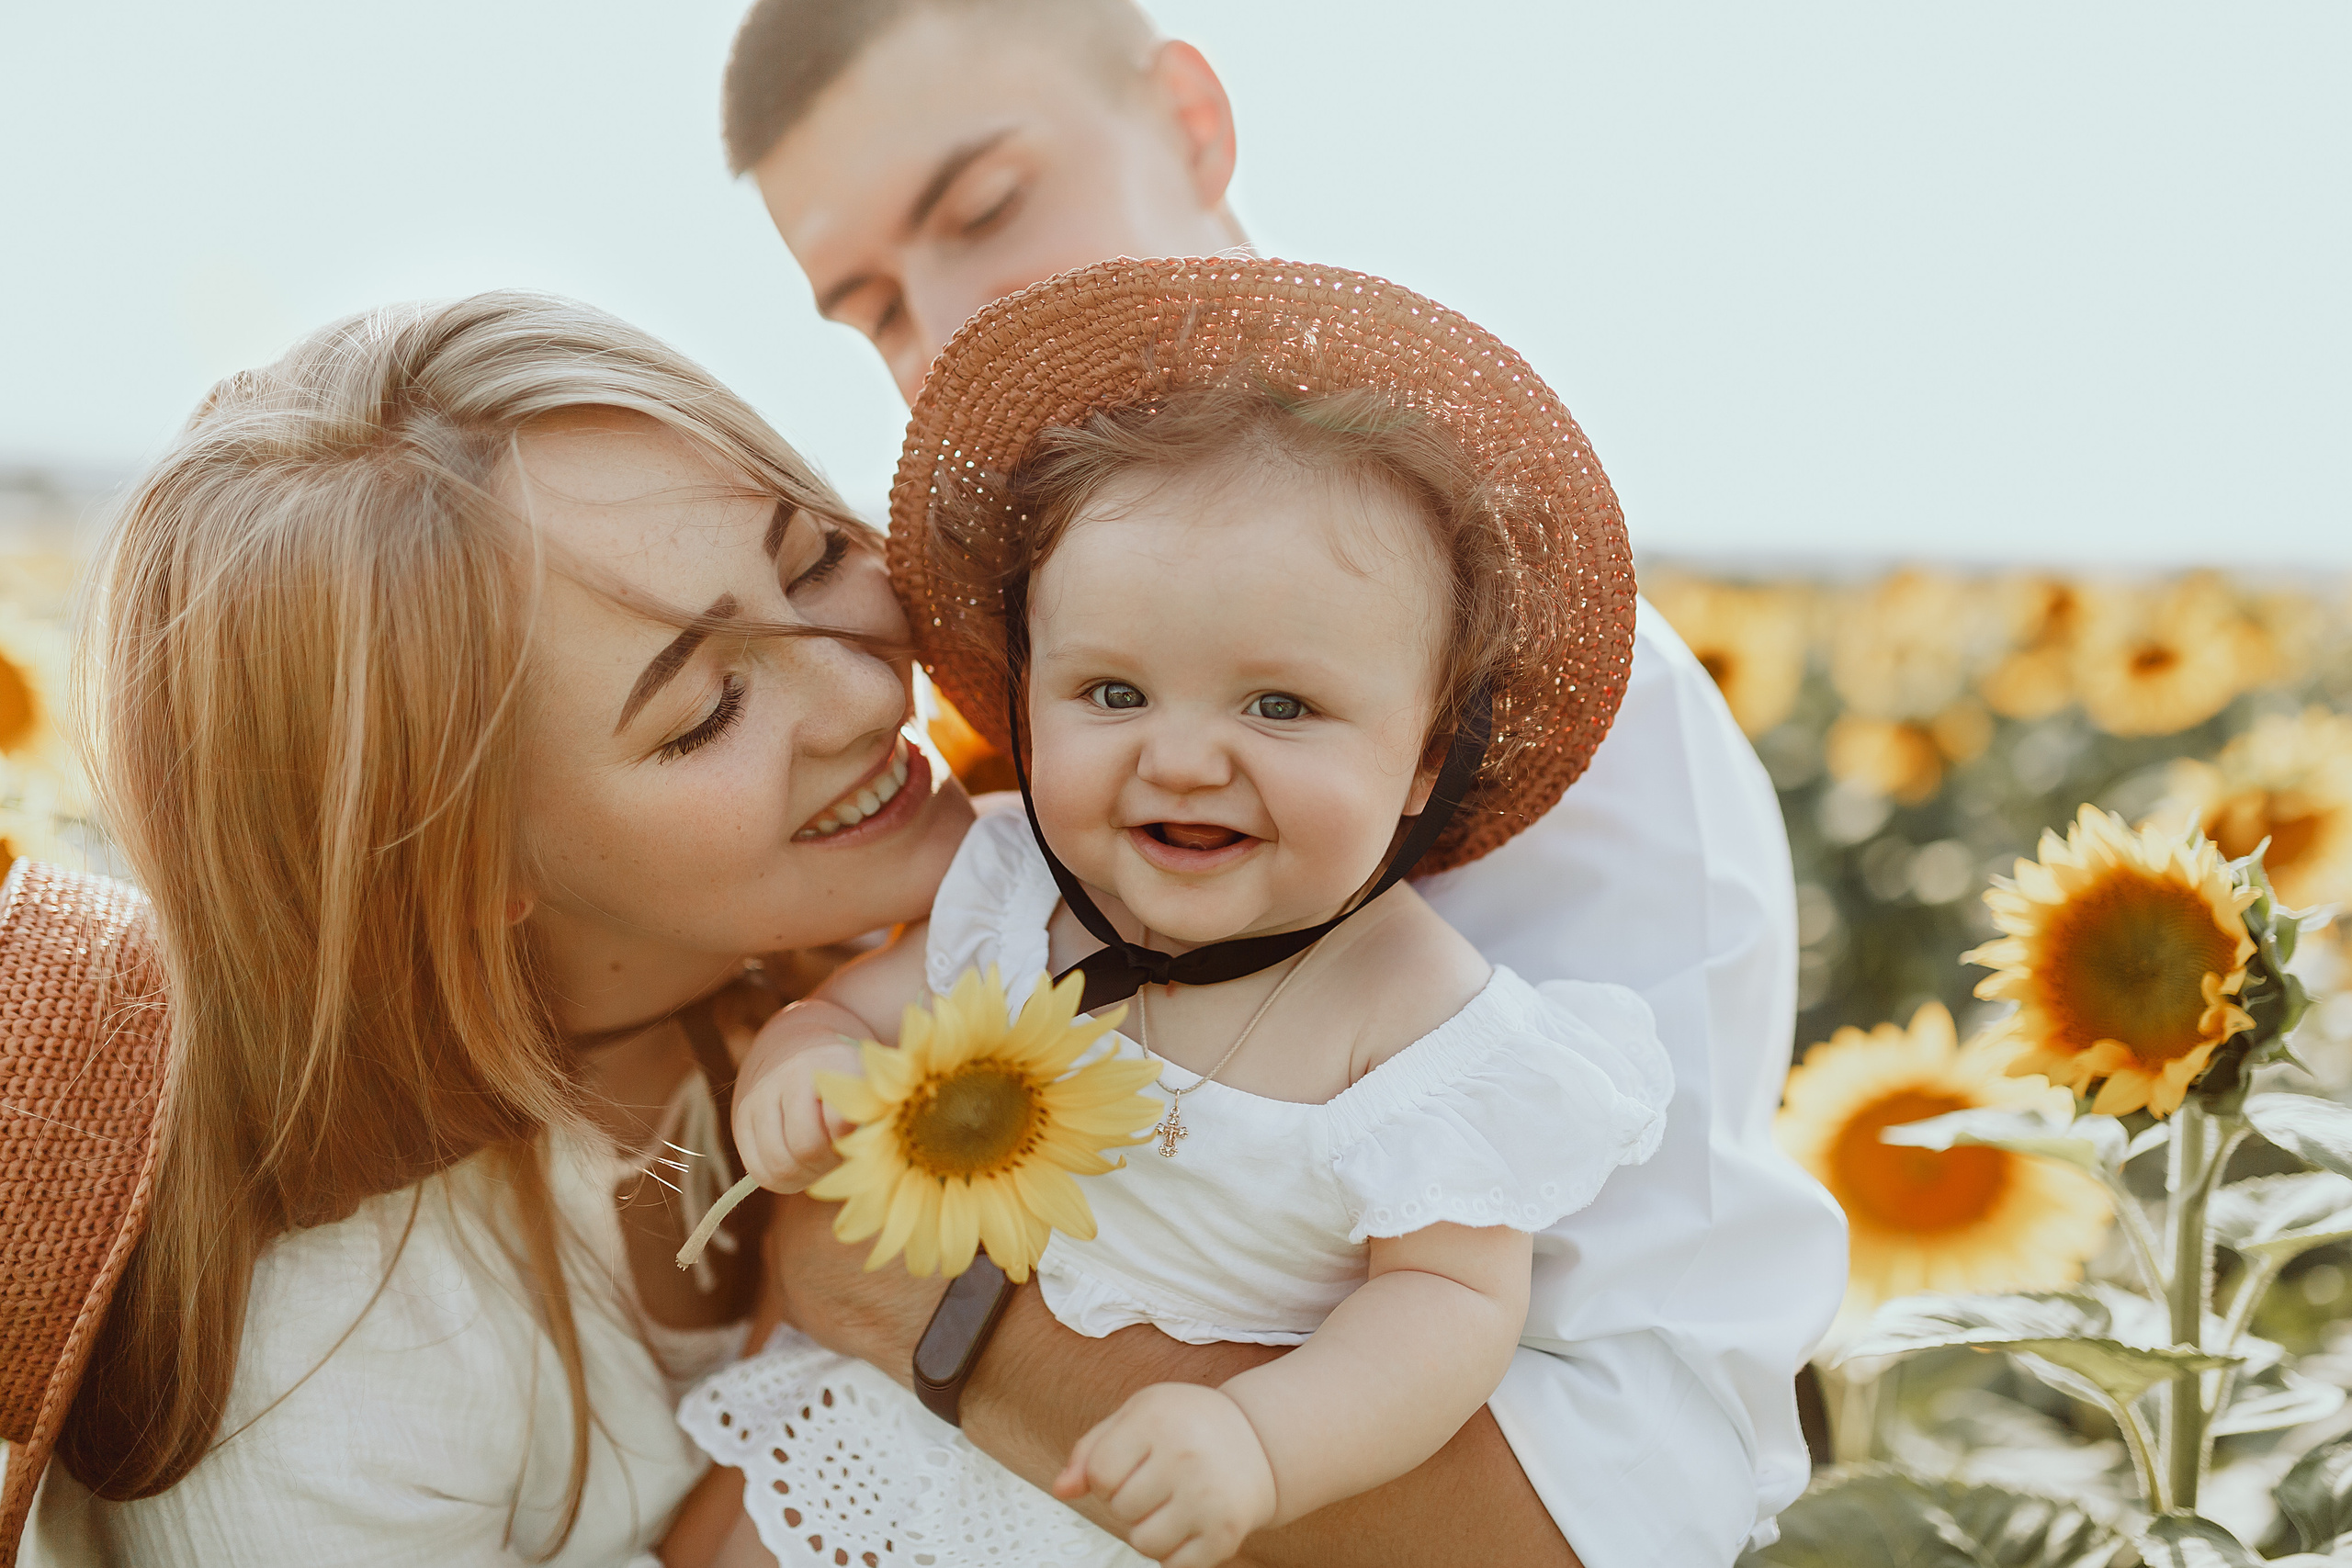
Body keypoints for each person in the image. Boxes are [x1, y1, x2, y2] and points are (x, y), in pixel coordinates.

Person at [717, 4, 1849, 1565]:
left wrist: (931, 1313)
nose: (944, 330)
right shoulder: (989, 685)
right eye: (872, 311)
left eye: (985, 212)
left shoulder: (1588, 754)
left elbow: (1614, 1498)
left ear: (1192, 119)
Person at [695, 262, 1676, 1568]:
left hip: (1170, 1502)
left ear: (1426, 760)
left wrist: (1263, 1444)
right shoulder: (1009, 892)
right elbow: (853, 1009)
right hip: (891, 1456)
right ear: (1030, 692)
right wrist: (805, 1066)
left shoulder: (1422, 1029)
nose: (1185, 759)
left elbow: (1443, 1309)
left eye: (1278, 707)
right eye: (1113, 693)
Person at [20, 291, 979, 1564]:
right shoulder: (334, 1369)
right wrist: (837, 1353)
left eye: (811, 557)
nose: (864, 689)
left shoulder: (885, 966)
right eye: (703, 710)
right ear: (460, 865)